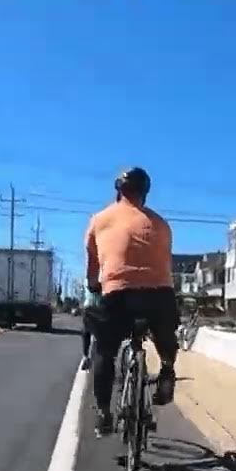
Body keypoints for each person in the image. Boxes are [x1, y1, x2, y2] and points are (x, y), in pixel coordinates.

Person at [84, 166, 179, 437]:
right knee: (164, 331)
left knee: (104, 350)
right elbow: (163, 263)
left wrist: (95, 285)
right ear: (145, 194)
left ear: (118, 192)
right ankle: (167, 371)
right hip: (159, 294)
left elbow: (93, 268)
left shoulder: (99, 220)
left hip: (118, 294)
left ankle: (104, 414)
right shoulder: (161, 224)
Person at [79, 286, 101, 371]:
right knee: (86, 331)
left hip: (98, 306)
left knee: (86, 332)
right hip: (93, 306)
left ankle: (86, 356)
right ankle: (85, 356)